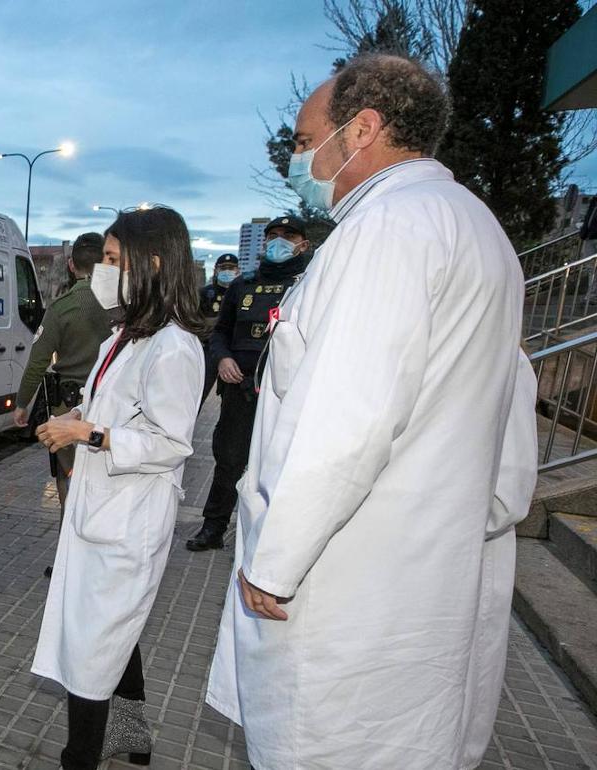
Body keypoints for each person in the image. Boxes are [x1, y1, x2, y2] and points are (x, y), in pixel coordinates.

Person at [205, 54, 536, 770]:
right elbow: (512, 420)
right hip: (420, 583)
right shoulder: (476, 227)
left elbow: (346, 418)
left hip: (347, 592)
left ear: (362, 130)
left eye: (302, 140)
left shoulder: (387, 228)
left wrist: (276, 561)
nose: (297, 158)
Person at [31, 207, 206, 769]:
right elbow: (111, 403)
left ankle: (78, 758)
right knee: (113, 632)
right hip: (99, 509)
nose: (101, 271)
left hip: (129, 520)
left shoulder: (175, 346)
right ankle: (133, 737)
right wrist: (80, 414)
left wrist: (91, 432)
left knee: (93, 643)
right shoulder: (125, 335)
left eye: (111, 260)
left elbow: (171, 441)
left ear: (151, 264)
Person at [185, 216, 309, 552]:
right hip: (239, 390)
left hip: (283, 394)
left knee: (275, 464)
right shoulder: (244, 285)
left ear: (303, 244)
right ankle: (213, 527)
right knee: (229, 458)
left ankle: (268, 538)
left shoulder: (308, 284)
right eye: (272, 235)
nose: (277, 241)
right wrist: (223, 357)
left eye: (288, 235)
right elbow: (221, 331)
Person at [12, 231, 113, 513]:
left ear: (71, 265)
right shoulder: (120, 305)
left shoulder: (62, 307)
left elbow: (37, 361)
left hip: (68, 406)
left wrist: (22, 404)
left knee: (68, 477)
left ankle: (68, 543)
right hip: (109, 407)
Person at [198, 253, 240, 402]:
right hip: (207, 349)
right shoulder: (205, 293)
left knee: (230, 395)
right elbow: (194, 320)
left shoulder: (241, 292)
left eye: (231, 268)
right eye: (223, 268)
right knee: (199, 390)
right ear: (216, 270)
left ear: (238, 270)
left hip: (232, 351)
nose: (227, 271)